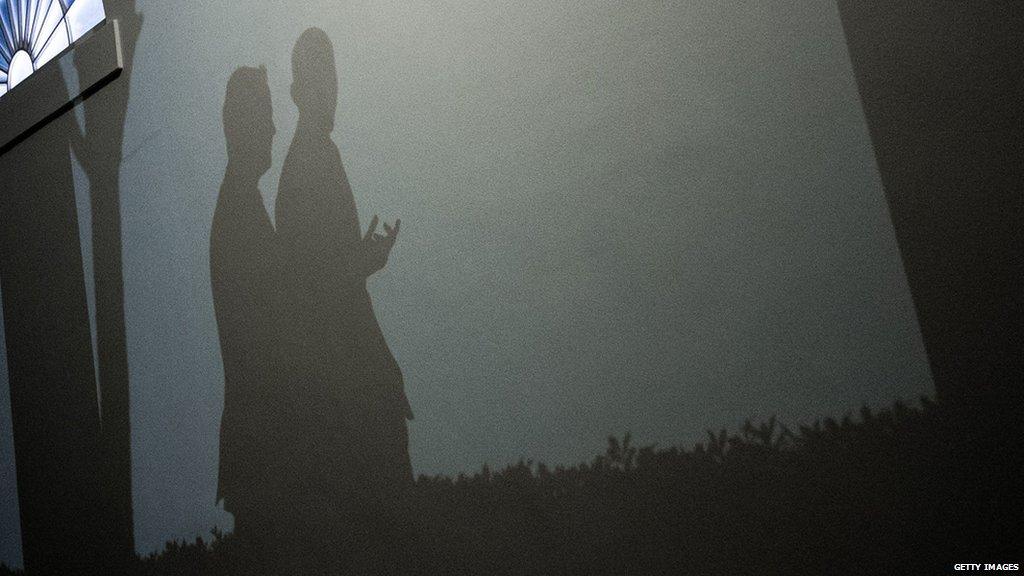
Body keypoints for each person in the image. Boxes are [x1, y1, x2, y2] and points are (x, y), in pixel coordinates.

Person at [275, 27, 413, 563]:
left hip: (357, 386)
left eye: (332, 78)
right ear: (298, 93)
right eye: (317, 80)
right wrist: (361, 260)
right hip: (346, 395)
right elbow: (312, 288)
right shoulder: (306, 164)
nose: (329, 91)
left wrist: (360, 259)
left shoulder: (320, 156)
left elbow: (327, 276)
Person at [209, 66, 283, 545]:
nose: (275, 128)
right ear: (242, 124)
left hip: (258, 441)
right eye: (267, 115)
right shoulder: (239, 211)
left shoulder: (239, 204)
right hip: (265, 442)